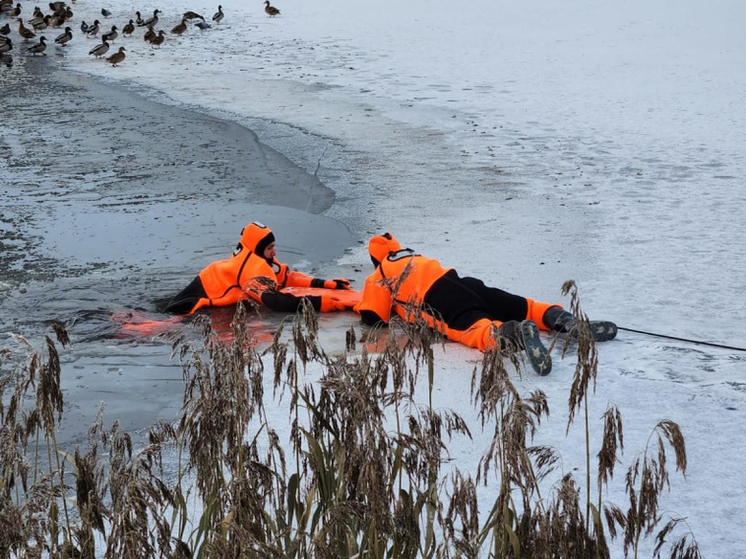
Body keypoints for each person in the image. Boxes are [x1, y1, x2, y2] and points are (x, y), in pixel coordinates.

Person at [354, 233, 617, 375]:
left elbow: (374, 317)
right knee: (519, 305)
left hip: (435, 299)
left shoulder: (380, 274)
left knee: (474, 327)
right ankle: (562, 320)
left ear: (375, 259)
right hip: (461, 281)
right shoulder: (413, 256)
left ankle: (512, 333)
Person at [164, 222, 354, 315]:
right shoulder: (250, 271)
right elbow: (274, 301)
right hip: (189, 308)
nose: (274, 252)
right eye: (270, 248)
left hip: (201, 290)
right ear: (258, 248)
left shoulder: (257, 257)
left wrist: (325, 283)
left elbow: (285, 276)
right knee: (151, 326)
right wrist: (320, 303)